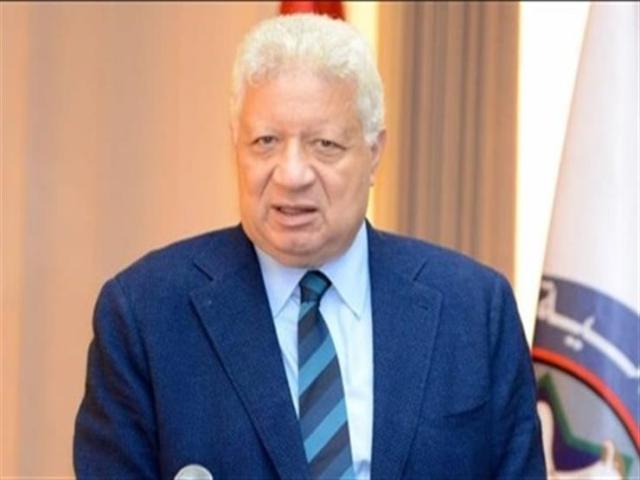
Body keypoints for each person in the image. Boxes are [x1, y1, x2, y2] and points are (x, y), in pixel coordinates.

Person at [74, 13, 545, 480]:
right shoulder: (146, 315)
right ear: (235, 146)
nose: (292, 174)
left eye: (324, 145)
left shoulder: (473, 310)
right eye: (265, 142)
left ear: (374, 153)